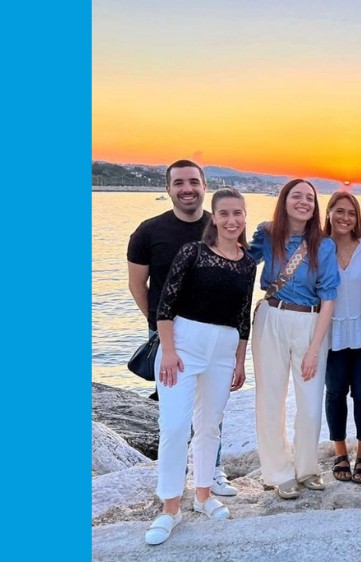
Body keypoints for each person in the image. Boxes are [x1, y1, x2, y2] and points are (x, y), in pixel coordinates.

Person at [145, 187, 256, 545]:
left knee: (210, 426)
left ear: (244, 217)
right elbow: (165, 305)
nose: (231, 220)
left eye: (237, 213)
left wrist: (240, 360)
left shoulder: (247, 263)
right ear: (214, 217)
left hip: (224, 351)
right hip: (183, 344)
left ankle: (204, 495)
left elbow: (243, 316)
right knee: (175, 426)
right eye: (224, 213)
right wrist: (168, 350)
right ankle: (170, 508)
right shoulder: (192, 252)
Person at [127, 159, 237, 497]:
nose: (187, 189)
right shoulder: (148, 232)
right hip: (169, 335)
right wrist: (159, 328)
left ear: (205, 186)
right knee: (173, 418)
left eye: (193, 182)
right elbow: (137, 284)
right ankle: (171, 485)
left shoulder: (220, 226)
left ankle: (212, 472)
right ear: (168, 189)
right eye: (179, 183)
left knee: (211, 412)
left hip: (214, 335)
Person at [248, 179, 340, 500]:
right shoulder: (267, 234)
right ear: (284, 201)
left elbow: (329, 298)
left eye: (310, 198)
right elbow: (240, 260)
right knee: (270, 398)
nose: (303, 202)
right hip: (271, 316)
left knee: (311, 403)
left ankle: (307, 467)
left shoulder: (324, 245)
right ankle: (278, 472)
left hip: (310, 321)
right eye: (296, 196)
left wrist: (314, 349)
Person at [323, 192, 361, 485]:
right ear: (329, 212)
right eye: (340, 211)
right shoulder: (319, 247)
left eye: (351, 213)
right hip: (331, 331)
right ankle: (340, 452)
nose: (345, 218)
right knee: (334, 393)